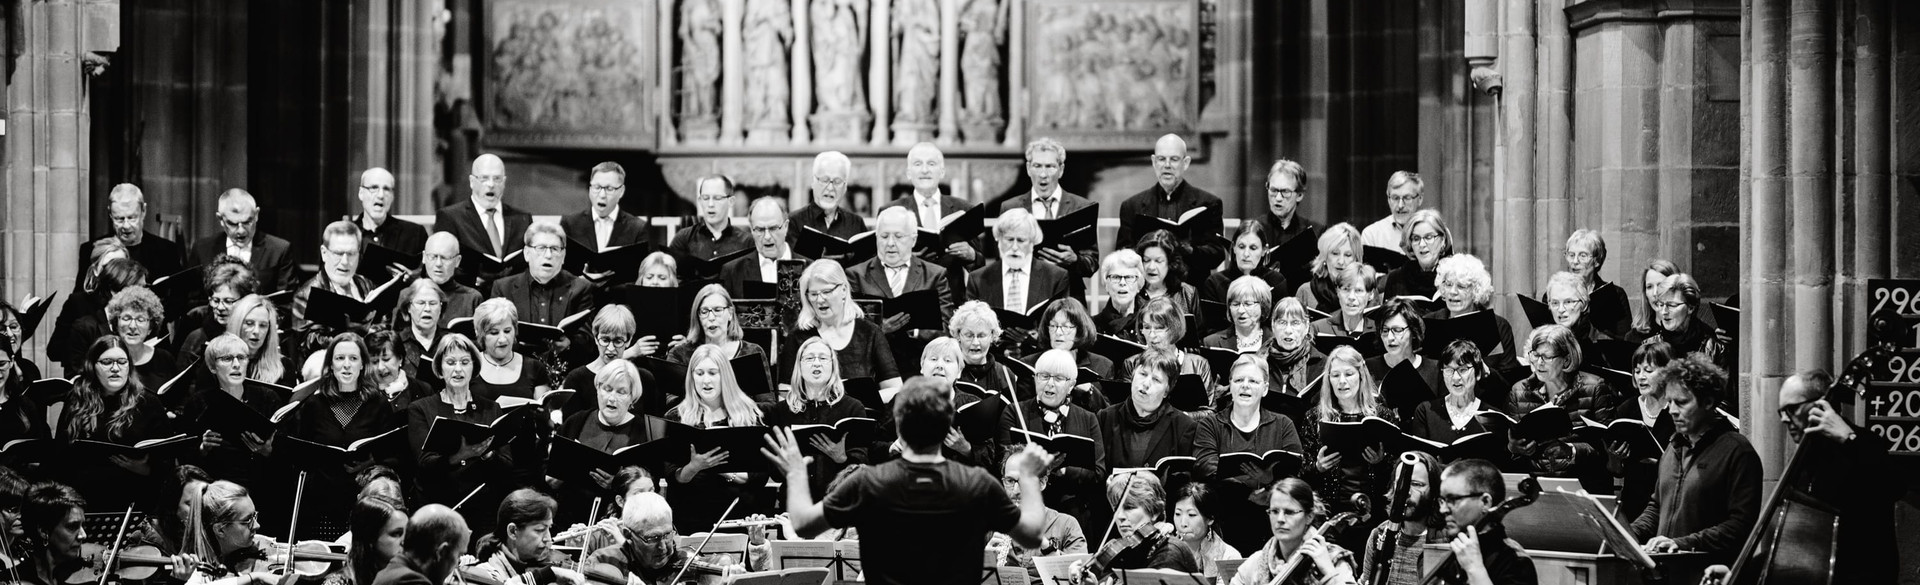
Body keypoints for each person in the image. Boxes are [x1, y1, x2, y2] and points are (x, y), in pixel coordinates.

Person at [762, 376, 1057, 585]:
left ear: (899, 429)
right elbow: (1031, 534)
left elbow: (802, 523)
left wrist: (796, 473)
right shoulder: (977, 483)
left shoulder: (867, 482)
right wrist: (1029, 478)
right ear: (946, 429)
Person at [1752, 369, 1900, 583]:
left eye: (1791, 409)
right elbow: (1789, 546)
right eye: (1781, 412)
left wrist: (1849, 440)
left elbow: (1894, 485)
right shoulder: (1805, 459)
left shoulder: (1864, 443)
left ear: (1821, 404)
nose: (1784, 419)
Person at [1628, 355, 1759, 565]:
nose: (1671, 410)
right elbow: (1657, 506)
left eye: (1681, 402)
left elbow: (1740, 525)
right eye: (1669, 402)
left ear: (1708, 402)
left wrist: (1682, 543)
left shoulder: (1737, 451)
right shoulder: (1673, 448)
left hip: (1706, 572)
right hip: (1665, 574)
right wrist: (1627, 533)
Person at [281, 333, 404, 537]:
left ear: (363, 364)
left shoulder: (378, 404)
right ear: (331, 364)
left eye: (353, 359)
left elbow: (394, 457)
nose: (346, 365)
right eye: (340, 358)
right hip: (319, 504)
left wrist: (369, 463)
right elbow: (298, 455)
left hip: (364, 502)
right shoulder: (313, 405)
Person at [50, 336, 173, 511]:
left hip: (134, 502)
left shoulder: (148, 403)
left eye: (122, 362)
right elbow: (60, 458)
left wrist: (145, 469)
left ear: (129, 366)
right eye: (107, 362)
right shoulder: (77, 399)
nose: (115, 368)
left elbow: (167, 464)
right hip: (83, 503)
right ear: (93, 366)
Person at [1196, 354, 1303, 553]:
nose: (1245, 386)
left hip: (1272, 515)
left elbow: (1296, 472)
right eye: (1239, 380)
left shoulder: (1283, 424)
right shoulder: (1210, 424)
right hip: (1224, 515)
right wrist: (1247, 491)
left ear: (1264, 388)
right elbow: (1204, 467)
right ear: (1230, 385)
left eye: (1253, 381)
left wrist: (1270, 483)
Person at [405, 334, 511, 529]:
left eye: (464, 362)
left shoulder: (491, 409)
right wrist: (459, 456)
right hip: (437, 509)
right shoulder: (420, 408)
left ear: (474, 367)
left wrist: (487, 454)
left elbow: (506, 464)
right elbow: (423, 463)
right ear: (439, 367)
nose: (458, 369)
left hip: (482, 510)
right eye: (451, 362)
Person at [1001, 349, 1107, 540]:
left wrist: (1064, 471)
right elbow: (1002, 462)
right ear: (1035, 379)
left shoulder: (1089, 419)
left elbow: (1098, 473)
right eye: (1044, 376)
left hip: (1073, 514)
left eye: (1059, 378)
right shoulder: (1014, 412)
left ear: (1071, 385)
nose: (1049, 383)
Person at [663, 344, 767, 533]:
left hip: (737, 516)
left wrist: (726, 471)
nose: (706, 380)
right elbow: (672, 477)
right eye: (699, 373)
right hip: (692, 519)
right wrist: (694, 467)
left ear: (725, 375)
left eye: (713, 372)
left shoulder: (749, 415)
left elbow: (760, 475)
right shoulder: (676, 417)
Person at [555, 359, 667, 525]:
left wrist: (618, 485)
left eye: (621, 392)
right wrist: (556, 476)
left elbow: (654, 489)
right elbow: (550, 475)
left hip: (624, 523)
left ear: (632, 398)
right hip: (572, 520)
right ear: (598, 390)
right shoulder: (575, 422)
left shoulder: (647, 432)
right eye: (607, 389)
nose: (612, 398)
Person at [848, 206, 958, 367]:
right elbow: (847, 328)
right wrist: (880, 328)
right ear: (876, 237)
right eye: (884, 236)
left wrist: (914, 331)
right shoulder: (855, 275)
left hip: (919, 367)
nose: (890, 243)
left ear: (913, 239)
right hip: (872, 367)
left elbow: (947, 327)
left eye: (898, 237)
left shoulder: (935, 274)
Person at [1297, 346, 1393, 529]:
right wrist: (1318, 467)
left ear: (1361, 376)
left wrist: (1380, 462)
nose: (1342, 381)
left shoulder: (1382, 416)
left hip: (1373, 512)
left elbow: (1393, 475)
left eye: (1349, 374)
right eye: (1335, 375)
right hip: (1328, 513)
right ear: (1329, 379)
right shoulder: (1314, 417)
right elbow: (1302, 475)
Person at [1505, 324, 1614, 484]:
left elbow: (1608, 450)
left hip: (1583, 484)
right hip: (1536, 486)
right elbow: (1509, 455)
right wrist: (1514, 448)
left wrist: (1572, 450)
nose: (1539, 363)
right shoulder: (1518, 391)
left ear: (1566, 359)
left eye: (1547, 357)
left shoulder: (1595, 387)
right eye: (1535, 355)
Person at [182, 334, 285, 503]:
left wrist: (267, 451)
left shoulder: (268, 398)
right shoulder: (198, 402)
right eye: (227, 359)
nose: (236, 365)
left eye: (242, 358)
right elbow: (186, 460)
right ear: (213, 367)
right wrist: (203, 448)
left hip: (262, 490)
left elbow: (286, 457)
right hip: (216, 492)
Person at [765, 337, 870, 501]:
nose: (816, 363)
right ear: (799, 365)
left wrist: (842, 459)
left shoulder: (853, 407)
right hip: (795, 502)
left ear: (833, 365)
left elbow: (862, 464)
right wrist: (784, 463)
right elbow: (774, 474)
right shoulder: (780, 411)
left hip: (840, 501)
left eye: (823, 358)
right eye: (809, 358)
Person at [1115, 134, 1225, 287]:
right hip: (1146, 292)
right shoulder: (1132, 206)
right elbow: (1123, 254)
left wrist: (1189, 250)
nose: (1167, 165)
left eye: (1174, 159)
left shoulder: (1208, 204)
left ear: (1185, 163)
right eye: (1161, 159)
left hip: (1192, 290)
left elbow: (1216, 254)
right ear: (1154, 162)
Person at [1000, 138, 1099, 298]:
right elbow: (1003, 258)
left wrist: (1074, 260)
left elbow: (1092, 263)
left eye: (1050, 167)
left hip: (1068, 296)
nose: (1043, 174)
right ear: (1028, 168)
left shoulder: (1082, 206)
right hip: (1026, 296)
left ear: (1061, 170)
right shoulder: (1010, 208)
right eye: (1037, 166)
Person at [885, 143, 983, 304]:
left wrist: (971, 255)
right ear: (909, 173)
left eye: (931, 164)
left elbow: (981, 265)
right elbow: (880, 262)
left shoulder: (963, 209)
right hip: (908, 299)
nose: (925, 170)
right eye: (918, 164)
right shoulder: (891, 210)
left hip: (952, 300)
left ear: (942, 172)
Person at [790, 260, 902, 399]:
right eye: (813, 294)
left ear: (843, 290)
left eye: (826, 292)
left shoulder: (870, 332)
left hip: (862, 415)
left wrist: (856, 403)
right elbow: (785, 394)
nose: (819, 300)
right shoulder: (798, 336)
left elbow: (894, 388)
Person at [491, 222, 594, 360]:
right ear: (527, 254)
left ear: (563, 256)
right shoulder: (503, 288)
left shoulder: (581, 288)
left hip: (564, 367)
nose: (548, 255)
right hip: (515, 365)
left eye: (555, 249)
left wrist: (569, 344)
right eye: (541, 248)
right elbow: (492, 334)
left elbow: (588, 339)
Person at [989, 449, 1089, 583]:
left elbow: (1081, 579)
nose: (1016, 491)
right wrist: (985, 560)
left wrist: (1045, 545)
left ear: (1042, 483)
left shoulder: (1067, 525)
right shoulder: (991, 526)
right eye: (1010, 481)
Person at [1430, 459, 1536, 585]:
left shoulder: (1516, 562)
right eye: (1442, 500)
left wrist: (1475, 570)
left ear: (1485, 502)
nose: (1443, 510)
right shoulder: (1456, 555)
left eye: (1452, 499)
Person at [435, 154, 534, 286]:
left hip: (512, 298)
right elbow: (440, 264)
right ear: (472, 181)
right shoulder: (450, 217)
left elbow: (531, 263)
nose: (491, 185)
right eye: (484, 179)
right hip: (471, 297)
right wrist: (472, 278)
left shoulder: (522, 219)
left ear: (504, 182)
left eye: (497, 179)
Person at [1605, 340, 1672, 524]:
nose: (1641, 377)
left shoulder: (1677, 411)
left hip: (1669, 502)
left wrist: (1661, 464)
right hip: (1634, 503)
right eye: (1637, 370)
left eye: (1648, 371)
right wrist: (1615, 460)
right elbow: (1616, 471)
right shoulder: (1626, 409)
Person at [1098, 351, 1197, 472]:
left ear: (1167, 390)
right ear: (1133, 376)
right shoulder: (1105, 417)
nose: (1145, 384)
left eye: (1156, 379)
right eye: (1143, 374)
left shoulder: (1184, 427)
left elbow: (1184, 479)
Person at [1359, 452, 1449, 585]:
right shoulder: (1379, 534)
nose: (1406, 491)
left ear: (1434, 491)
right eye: (1400, 483)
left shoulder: (1445, 540)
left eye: (1417, 484)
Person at [189, 188, 297, 296]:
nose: (241, 231)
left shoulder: (279, 250)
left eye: (247, 222)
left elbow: (287, 303)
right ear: (220, 219)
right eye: (233, 224)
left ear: (256, 215)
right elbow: (192, 300)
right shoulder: (202, 249)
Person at [663, 285, 773, 390]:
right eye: (704, 311)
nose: (711, 317)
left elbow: (768, 405)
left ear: (730, 313)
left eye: (718, 310)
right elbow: (672, 404)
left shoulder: (752, 352)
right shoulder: (680, 354)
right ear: (698, 317)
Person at [466, 489, 586, 585]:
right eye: (540, 530)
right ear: (513, 531)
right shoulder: (485, 574)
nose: (548, 539)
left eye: (549, 528)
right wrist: (546, 575)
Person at [1430, 255, 1520, 379]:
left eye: (1461, 286)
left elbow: (1509, 380)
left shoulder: (1499, 326)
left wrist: (1486, 372)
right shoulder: (1430, 322)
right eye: (1448, 284)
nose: (1452, 291)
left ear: (1476, 290)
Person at [967, 208, 1069, 318]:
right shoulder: (978, 279)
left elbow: (1062, 322)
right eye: (1009, 239)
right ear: (998, 240)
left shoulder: (1056, 277)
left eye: (1021, 240)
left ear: (1032, 243)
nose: (1014, 247)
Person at [82, 183, 186, 291]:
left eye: (132, 218)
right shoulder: (91, 250)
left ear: (143, 211)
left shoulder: (167, 251)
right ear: (110, 214)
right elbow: (82, 297)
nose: (126, 226)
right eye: (119, 219)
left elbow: (180, 297)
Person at [177, 480, 282, 585]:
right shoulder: (192, 571)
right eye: (247, 521)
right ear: (220, 530)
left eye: (254, 516)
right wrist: (254, 577)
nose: (257, 525)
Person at [561, 305, 655, 419]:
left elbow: (654, 428)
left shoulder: (644, 378)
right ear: (596, 338)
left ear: (628, 341)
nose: (610, 348)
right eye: (605, 340)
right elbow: (570, 430)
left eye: (618, 341)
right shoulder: (576, 379)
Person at [55, 256, 147, 371]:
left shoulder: (146, 323)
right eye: (137, 289)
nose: (144, 295)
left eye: (144, 288)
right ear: (114, 291)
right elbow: (77, 374)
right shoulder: (85, 327)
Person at [1405, 341, 1502, 445]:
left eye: (1463, 370)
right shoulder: (1426, 411)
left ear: (1478, 373)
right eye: (1449, 370)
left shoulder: (1493, 417)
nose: (1455, 378)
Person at [293, 220, 378, 335]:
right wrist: (349, 334)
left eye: (351, 254)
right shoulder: (306, 295)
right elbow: (306, 343)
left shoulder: (366, 284)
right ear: (324, 253)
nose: (345, 262)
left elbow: (383, 325)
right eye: (338, 253)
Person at [1203, 222, 1291, 334]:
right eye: (1241, 247)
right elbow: (1211, 329)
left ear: (1264, 250)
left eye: (1253, 248)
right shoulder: (1215, 282)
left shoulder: (1276, 281)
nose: (1246, 254)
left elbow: (1281, 325)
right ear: (1233, 248)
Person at [1646, 273, 1729, 390]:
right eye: (1660, 304)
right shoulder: (1648, 346)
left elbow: (1723, 400)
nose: (1664, 311)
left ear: (1691, 307)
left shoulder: (1715, 348)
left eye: (1672, 305)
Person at [1027, 298, 1114, 408]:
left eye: (1066, 327)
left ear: (1080, 329)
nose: (1058, 332)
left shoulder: (1103, 365)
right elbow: (1024, 410)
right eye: (1053, 326)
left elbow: (1108, 416)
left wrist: (1090, 391)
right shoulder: (1029, 364)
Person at [176, 257, 258, 369]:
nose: (220, 307)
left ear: (245, 300)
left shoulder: (255, 335)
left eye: (228, 301)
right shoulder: (196, 340)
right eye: (215, 300)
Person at [1252, 159, 1322, 290]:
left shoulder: (1316, 232)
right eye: (1273, 190)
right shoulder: (1254, 229)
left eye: (1285, 192)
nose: (1278, 198)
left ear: (1299, 195)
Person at [470, 298, 555, 401]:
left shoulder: (534, 368)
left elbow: (543, 413)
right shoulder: (470, 366)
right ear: (480, 334)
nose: (502, 339)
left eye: (507, 331)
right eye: (494, 333)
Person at [719, 197, 805, 297]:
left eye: (773, 228)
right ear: (751, 230)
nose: (767, 236)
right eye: (760, 230)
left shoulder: (809, 268)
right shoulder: (732, 272)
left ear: (786, 227)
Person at [559, 162, 649, 253]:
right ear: (590, 188)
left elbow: (644, 265)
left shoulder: (638, 228)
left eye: (609, 189)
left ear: (621, 191)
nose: (602, 195)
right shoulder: (570, 224)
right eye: (597, 187)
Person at [370, 505, 471, 585]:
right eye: (458, 555)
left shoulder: (392, 570)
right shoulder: (409, 581)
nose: (457, 563)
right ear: (442, 552)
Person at [17, 482, 93, 585]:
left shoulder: (66, 578)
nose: (83, 535)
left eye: (82, 525)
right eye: (72, 526)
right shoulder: (16, 579)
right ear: (44, 531)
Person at [105, 286, 179, 391]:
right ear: (116, 323)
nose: (133, 326)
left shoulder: (165, 359)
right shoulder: (105, 358)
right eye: (127, 318)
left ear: (150, 327)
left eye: (141, 319)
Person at [666, 174, 753, 263]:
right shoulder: (683, 238)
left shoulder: (747, 242)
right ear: (700, 201)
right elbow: (670, 273)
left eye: (717, 198)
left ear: (731, 201)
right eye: (706, 198)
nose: (710, 204)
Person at [1563, 229, 1631, 338]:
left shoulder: (1615, 295)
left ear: (1597, 261)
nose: (1575, 261)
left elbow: (1624, 341)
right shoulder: (1554, 294)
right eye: (1571, 255)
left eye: (1582, 256)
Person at [329, 494, 407, 585]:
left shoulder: (410, 577)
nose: (405, 541)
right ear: (370, 538)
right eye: (396, 534)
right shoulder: (339, 583)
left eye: (408, 532)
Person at [1170, 483, 1241, 580]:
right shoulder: (1166, 551)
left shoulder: (1229, 557)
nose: (1183, 523)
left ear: (1210, 519)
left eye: (1191, 515)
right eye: (1178, 514)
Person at [790, 152, 866, 242]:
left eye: (837, 182)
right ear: (813, 182)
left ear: (845, 188)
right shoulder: (794, 221)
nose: (830, 188)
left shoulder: (856, 223)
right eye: (824, 180)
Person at [353, 167, 429, 258]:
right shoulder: (346, 234)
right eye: (374, 188)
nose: (381, 195)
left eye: (386, 189)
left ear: (392, 196)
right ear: (361, 193)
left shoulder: (414, 234)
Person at [949, 301, 1016, 400]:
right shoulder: (948, 369)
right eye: (969, 335)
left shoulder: (1005, 374)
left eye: (981, 336)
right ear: (958, 335)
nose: (975, 342)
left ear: (992, 336)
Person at [1380, 209, 1452, 300]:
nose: (1422, 244)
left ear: (1443, 240)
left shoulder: (1454, 276)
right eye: (1416, 238)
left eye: (1429, 237)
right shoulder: (1396, 278)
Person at [1135, 230, 1202, 326]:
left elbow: (1198, 334)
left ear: (1171, 263)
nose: (1151, 267)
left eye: (1158, 261)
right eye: (1146, 260)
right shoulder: (1132, 291)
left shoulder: (1188, 293)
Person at [1295, 223, 1364, 315]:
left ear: (1356, 259)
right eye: (1335, 253)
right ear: (1324, 257)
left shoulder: (1366, 290)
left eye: (1348, 255)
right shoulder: (1305, 291)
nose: (1341, 261)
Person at [1312, 265, 1381, 354]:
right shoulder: (1317, 328)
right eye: (1346, 289)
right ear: (1338, 292)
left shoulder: (1378, 331)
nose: (1351, 297)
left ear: (1371, 294)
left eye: (1358, 290)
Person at [224, 294, 291, 385]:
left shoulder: (285, 366)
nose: (256, 331)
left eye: (263, 325)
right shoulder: (216, 361)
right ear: (238, 325)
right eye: (249, 323)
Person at [393, 279, 447, 384]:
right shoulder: (395, 342)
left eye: (433, 303)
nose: (427, 309)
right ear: (409, 307)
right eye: (421, 303)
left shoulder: (451, 343)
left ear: (441, 307)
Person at [422, 232, 484, 322]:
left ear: (457, 261)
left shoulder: (472, 298)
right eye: (433, 256)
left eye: (445, 258)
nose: (438, 264)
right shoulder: (409, 294)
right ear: (424, 257)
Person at [1360, 171, 1425, 252]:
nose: (1400, 205)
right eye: (1395, 198)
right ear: (1388, 199)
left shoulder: (1434, 234)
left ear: (1420, 199)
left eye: (1407, 198)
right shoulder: (1372, 235)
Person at [365, 330, 430, 410]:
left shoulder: (423, 390)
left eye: (386, 359)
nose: (380, 367)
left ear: (400, 358)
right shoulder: (362, 394)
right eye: (374, 361)